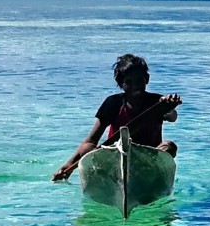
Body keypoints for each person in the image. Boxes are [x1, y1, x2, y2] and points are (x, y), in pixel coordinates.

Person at [53, 53, 181, 182]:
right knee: (86, 148)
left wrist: (168, 107)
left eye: (139, 81)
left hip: (148, 160)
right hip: (115, 158)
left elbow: (171, 117)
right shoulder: (112, 103)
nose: (135, 86)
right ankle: (108, 180)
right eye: (128, 82)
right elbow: (91, 140)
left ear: (147, 79)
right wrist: (69, 165)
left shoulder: (158, 102)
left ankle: (149, 178)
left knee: (169, 146)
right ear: (120, 84)